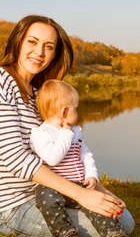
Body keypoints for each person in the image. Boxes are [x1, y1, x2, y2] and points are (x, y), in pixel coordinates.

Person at [0, 15, 134, 237]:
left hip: (48, 193)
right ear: (18, 42)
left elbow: (62, 152)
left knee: (123, 219)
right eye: (32, 42)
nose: (39, 52)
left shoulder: (39, 93)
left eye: (48, 47)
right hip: (10, 205)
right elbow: (16, 160)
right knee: (114, 227)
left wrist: (98, 190)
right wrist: (81, 196)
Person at [30, 79, 127, 237]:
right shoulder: (40, 134)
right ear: (64, 112)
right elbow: (53, 159)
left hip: (80, 185)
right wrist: (66, 133)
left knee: (97, 206)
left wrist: (91, 175)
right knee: (44, 196)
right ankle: (65, 232)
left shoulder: (76, 131)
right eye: (76, 108)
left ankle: (113, 232)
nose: (78, 112)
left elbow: (86, 154)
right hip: (56, 188)